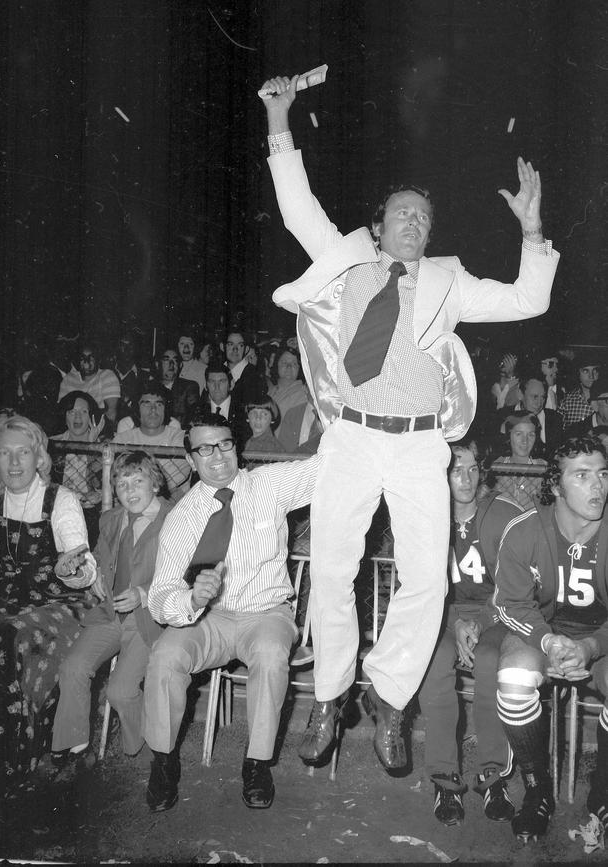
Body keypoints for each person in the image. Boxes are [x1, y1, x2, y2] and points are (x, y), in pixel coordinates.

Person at [259, 73, 559, 774]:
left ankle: (390, 699)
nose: (414, 223)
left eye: (423, 217)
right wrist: (279, 119)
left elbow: (526, 299)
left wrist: (533, 228)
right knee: (333, 568)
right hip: (353, 437)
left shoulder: (449, 283)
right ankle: (331, 695)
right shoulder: (348, 263)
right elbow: (299, 210)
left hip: (423, 443)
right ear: (378, 223)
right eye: (402, 213)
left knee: (425, 577)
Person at [143, 411, 319, 812]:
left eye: (224, 444)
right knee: (166, 656)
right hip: (211, 619)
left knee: (272, 656)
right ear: (190, 460)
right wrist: (191, 600)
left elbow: (322, 468)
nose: (218, 456)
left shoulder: (267, 484)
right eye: (204, 449)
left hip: (267, 613)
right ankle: (163, 760)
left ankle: (257, 763)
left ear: (235, 446)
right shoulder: (182, 517)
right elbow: (159, 596)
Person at [0, 415, 96, 800]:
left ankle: (15, 758)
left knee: (6, 636)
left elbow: (85, 571)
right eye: (5, 453)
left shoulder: (62, 500)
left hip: (63, 603)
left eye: (24, 453)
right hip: (9, 604)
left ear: (39, 458)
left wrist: (73, 567)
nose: (15, 462)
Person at [493, 435, 608, 842]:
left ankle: (602, 795)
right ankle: (538, 787)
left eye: (603, 473)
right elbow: (510, 604)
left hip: (600, 640)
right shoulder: (526, 530)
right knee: (514, 679)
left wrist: (589, 648)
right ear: (556, 486)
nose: (598, 486)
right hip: (542, 635)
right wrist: (548, 643)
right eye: (582, 476)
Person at [418, 440, 520, 826]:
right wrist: (454, 623)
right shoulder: (427, 517)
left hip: (497, 614)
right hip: (442, 614)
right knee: (434, 662)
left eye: (473, 468)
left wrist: (483, 621)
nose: (466, 478)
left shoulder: (500, 514)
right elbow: (418, 590)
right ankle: (444, 778)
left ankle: (493, 777)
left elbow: (517, 586)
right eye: (456, 469)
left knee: (491, 661)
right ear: (440, 474)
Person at [51, 451, 173, 769]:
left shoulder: (174, 519)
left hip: (150, 618)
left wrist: (143, 594)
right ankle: (73, 747)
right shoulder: (111, 520)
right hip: (110, 613)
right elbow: (97, 565)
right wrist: (87, 577)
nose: (130, 491)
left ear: (155, 482)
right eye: (121, 484)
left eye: (138, 481)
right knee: (73, 667)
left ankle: (147, 742)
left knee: (120, 691)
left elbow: (184, 575)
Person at [113, 382, 191, 502]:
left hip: (171, 504)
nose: (153, 409)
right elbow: (112, 478)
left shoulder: (181, 439)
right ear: (137, 408)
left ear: (166, 408)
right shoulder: (122, 440)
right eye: (146, 403)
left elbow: (166, 483)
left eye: (159, 404)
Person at [51, 390, 106, 546]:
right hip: (59, 509)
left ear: (91, 416)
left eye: (83, 411)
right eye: (71, 411)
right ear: (64, 415)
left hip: (91, 512)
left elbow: (102, 485)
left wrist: (91, 446)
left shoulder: (103, 445)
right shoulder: (53, 444)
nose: (77, 417)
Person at [58, 339, 121, 435]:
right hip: (71, 432)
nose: (86, 362)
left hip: (99, 432)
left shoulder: (107, 376)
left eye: (91, 358)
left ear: (98, 360)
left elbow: (111, 414)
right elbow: (62, 412)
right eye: (83, 358)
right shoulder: (68, 379)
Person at [490, 411, 548, 510]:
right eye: (518, 434)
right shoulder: (497, 466)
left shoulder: (544, 468)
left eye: (530, 435)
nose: (525, 441)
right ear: (508, 435)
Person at [268, 345, 317, 452]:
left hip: (289, 452)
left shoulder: (304, 393)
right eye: (284, 363)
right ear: (276, 365)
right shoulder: (270, 392)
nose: (289, 367)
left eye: (294, 364)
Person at [499, 373, 564, 454]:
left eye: (543, 397)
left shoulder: (555, 420)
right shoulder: (502, 417)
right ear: (520, 394)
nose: (539, 403)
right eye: (535, 397)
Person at [154, 347, 200, 427]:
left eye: (175, 360)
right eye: (166, 360)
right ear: (157, 364)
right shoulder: (149, 387)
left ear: (180, 365)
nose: (171, 364)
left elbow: (194, 416)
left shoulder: (189, 387)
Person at [242, 393, 285, 467]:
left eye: (264, 414)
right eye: (254, 413)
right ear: (247, 417)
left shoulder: (270, 446)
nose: (258, 418)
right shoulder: (250, 441)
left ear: (272, 419)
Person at [558, 356, 601, 430]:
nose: (591, 376)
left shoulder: (604, 402)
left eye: (594, 371)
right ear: (578, 374)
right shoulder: (567, 400)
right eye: (585, 371)